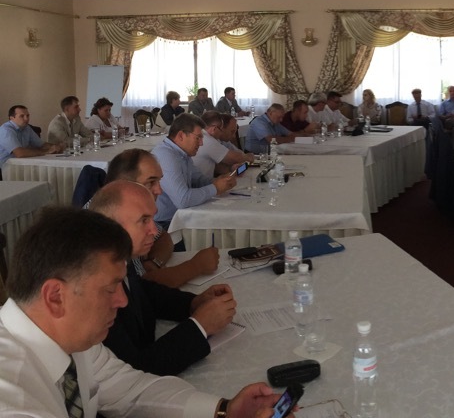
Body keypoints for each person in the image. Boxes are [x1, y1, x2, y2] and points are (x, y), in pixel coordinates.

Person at [0, 207, 279, 417]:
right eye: (110, 289)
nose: (123, 301)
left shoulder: (71, 339)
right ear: (55, 297)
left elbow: (132, 391)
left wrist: (223, 411)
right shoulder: (12, 400)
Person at [89, 181, 237, 375]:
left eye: (152, 218)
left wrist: (193, 303)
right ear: (111, 226)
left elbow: (145, 292)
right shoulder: (96, 289)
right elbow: (136, 370)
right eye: (144, 220)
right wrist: (200, 326)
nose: (153, 230)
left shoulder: (121, 258)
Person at [106, 148, 222, 289]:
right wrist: (196, 266)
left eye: (159, 181)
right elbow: (142, 288)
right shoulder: (108, 223)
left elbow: (163, 236)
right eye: (151, 182)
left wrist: (154, 262)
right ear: (124, 184)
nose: (159, 190)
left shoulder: (131, 209)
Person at [153, 114, 236, 228]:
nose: (201, 143)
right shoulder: (166, 156)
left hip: (181, 215)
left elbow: (198, 180)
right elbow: (183, 200)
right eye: (198, 138)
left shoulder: (182, 153)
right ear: (181, 135)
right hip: (166, 223)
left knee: (225, 220)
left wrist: (218, 181)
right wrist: (216, 188)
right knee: (224, 224)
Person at [194, 111, 252, 180]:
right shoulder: (207, 140)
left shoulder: (207, 137)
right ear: (214, 129)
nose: (221, 133)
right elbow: (235, 158)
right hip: (201, 184)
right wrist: (248, 156)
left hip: (203, 181)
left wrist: (230, 169)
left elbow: (213, 165)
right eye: (221, 130)